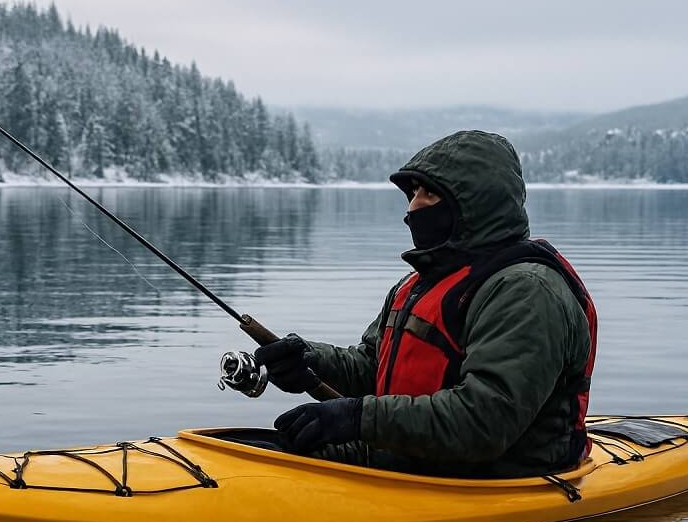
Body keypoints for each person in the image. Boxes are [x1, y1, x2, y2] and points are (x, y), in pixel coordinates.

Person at [255, 130, 597, 477]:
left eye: (428, 192)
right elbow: (375, 371)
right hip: (406, 462)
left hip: (486, 481)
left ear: (473, 203)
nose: (412, 206)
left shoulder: (527, 292)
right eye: (413, 192)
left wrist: (356, 417)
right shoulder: (421, 282)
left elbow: (483, 423)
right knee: (255, 454)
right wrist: (312, 363)